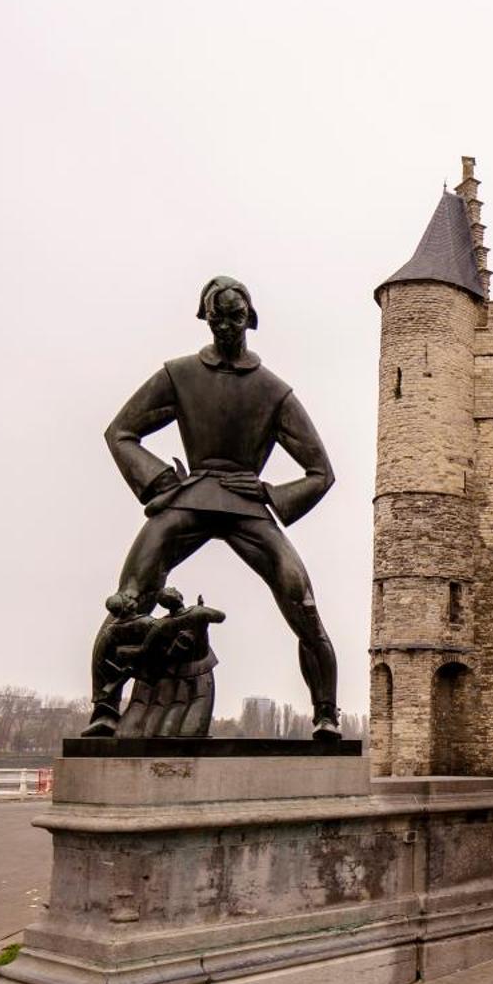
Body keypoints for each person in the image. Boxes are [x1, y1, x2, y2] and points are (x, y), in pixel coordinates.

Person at [85, 276, 341, 739]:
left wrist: (269, 492)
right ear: (206, 318)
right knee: (131, 595)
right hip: (193, 495)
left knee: (300, 599)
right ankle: (104, 708)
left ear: (251, 319)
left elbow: (320, 471)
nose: (226, 326)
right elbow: (120, 431)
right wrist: (161, 481)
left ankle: (326, 714)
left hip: (246, 504)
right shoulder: (178, 375)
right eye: (218, 317)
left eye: (235, 317)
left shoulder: (273, 391)